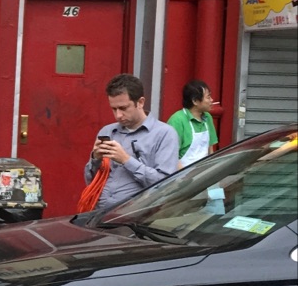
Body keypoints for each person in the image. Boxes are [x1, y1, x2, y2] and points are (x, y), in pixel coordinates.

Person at [83, 73, 179, 212]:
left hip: (137, 218)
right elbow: (90, 181)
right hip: (99, 214)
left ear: (140, 102)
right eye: (114, 109)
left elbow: (165, 184)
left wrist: (126, 160)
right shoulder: (108, 131)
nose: (118, 115)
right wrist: (95, 159)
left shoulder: (164, 134)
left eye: (123, 108)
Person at [167, 80, 219, 169]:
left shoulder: (207, 117)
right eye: (208, 97)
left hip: (203, 173)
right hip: (182, 176)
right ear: (195, 101)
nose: (212, 100)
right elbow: (171, 155)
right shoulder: (177, 120)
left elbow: (210, 149)